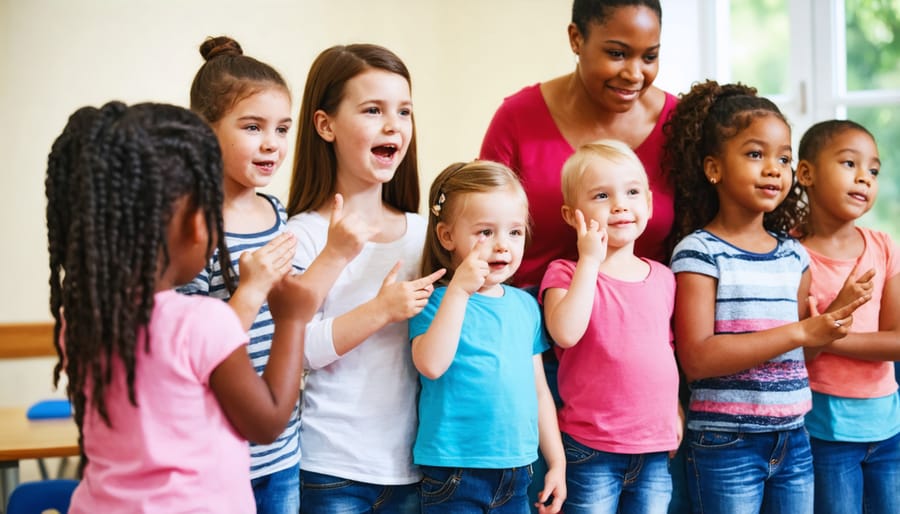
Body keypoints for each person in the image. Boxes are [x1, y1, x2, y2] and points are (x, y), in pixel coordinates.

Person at [45, 102, 314, 512]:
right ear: (194, 226)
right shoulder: (201, 323)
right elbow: (267, 422)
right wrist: (292, 320)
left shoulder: (79, 320)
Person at [666, 80, 871, 514]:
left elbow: (804, 353)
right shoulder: (699, 251)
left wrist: (832, 318)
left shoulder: (793, 254)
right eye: (756, 154)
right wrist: (800, 330)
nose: (775, 168)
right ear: (713, 168)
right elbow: (698, 358)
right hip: (726, 442)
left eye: (784, 157)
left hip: (795, 437)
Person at [284, 43, 445, 514]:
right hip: (331, 468)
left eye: (404, 111)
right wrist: (381, 310)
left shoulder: (424, 233)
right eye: (373, 110)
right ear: (325, 125)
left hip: (414, 467)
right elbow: (298, 349)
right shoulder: (305, 235)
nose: (393, 126)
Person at [179, 36, 303, 513]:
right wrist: (250, 290)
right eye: (253, 127)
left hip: (282, 452)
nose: (272, 143)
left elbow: (297, 320)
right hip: (216, 454)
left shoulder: (279, 213)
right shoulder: (191, 229)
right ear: (203, 131)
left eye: (282, 128)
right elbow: (190, 348)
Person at [480, 0, 675, 287]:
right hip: (531, 320)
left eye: (649, 57)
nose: (634, 74)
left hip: (643, 323)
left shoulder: (679, 125)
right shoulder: (517, 119)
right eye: (617, 53)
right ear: (576, 38)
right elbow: (479, 228)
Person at [410, 160, 567, 514]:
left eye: (514, 232)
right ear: (447, 236)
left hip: (518, 471)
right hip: (455, 471)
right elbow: (431, 365)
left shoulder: (525, 306)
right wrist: (459, 292)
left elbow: (539, 391)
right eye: (485, 232)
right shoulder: (433, 300)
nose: (502, 246)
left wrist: (556, 462)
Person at [540, 140, 679, 513]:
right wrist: (589, 260)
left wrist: (675, 410)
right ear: (572, 215)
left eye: (632, 192)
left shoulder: (664, 277)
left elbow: (664, 351)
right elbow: (565, 332)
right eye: (602, 195)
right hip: (591, 448)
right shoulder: (565, 273)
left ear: (648, 203)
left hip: (654, 447)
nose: (620, 204)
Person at [792, 120, 900, 514]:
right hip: (825, 433)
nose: (864, 178)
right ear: (806, 173)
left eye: (873, 170)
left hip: (889, 430)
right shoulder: (791, 256)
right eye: (849, 163)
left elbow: (898, 342)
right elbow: (798, 355)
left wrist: (828, 331)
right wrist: (817, 334)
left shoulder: (884, 247)